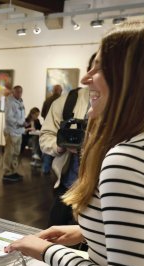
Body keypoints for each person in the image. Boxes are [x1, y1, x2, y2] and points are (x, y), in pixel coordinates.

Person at [5, 19, 144, 266]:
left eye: (100, 67)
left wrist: (47, 252)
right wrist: (88, 231)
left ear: (134, 78)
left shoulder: (131, 161)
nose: (86, 78)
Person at [39, 55, 95, 227]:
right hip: (68, 186)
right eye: (94, 68)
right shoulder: (67, 102)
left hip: (104, 192)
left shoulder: (127, 106)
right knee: (57, 236)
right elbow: (46, 135)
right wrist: (61, 145)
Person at [2, 85, 25, 182]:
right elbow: (9, 117)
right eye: (17, 92)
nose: (19, 94)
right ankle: (7, 172)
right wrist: (19, 123)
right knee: (9, 153)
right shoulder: (9, 102)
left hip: (19, 132)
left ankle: (13, 171)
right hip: (11, 132)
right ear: (13, 92)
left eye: (21, 92)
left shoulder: (20, 101)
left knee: (16, 153)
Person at [40, 84, 62, 173]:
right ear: (60, 91)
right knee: (58, 148)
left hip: (48, 126)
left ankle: (46, 168)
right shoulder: (61, 101)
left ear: (53, 91)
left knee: (48, 147)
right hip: (59, 128)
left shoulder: (47, 100)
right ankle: (56, 170)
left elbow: (42, 114)